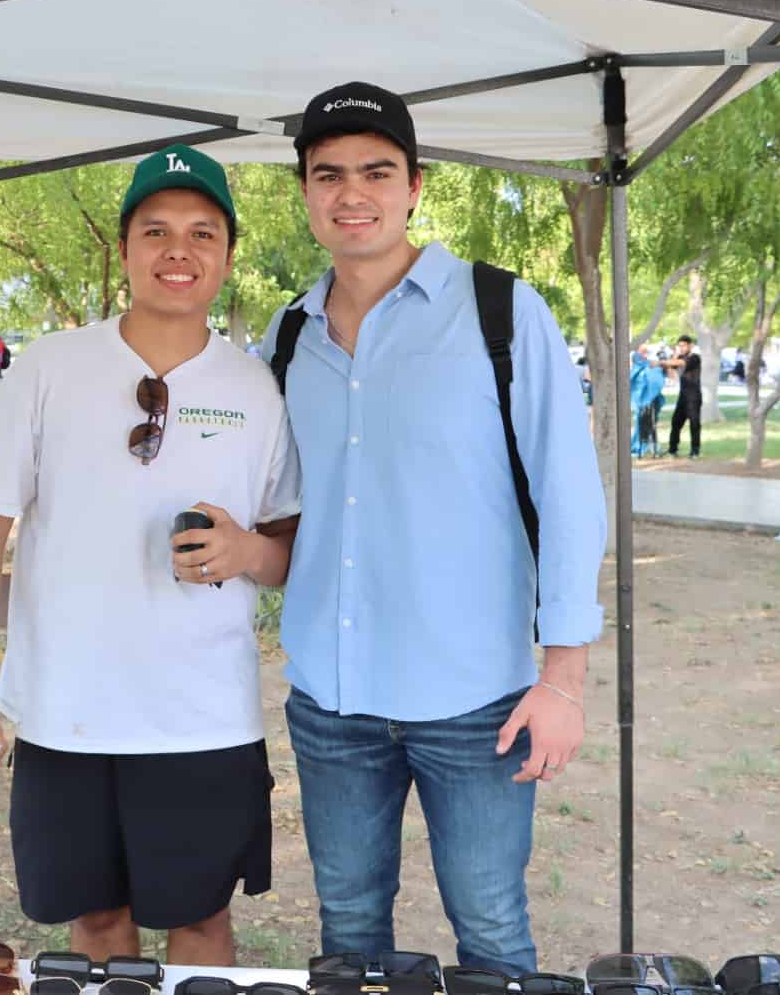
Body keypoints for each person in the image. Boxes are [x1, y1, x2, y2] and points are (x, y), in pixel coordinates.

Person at [262, 82, 605, 972]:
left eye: (377, 171)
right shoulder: (289, 335)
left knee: (491, 934)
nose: (352, 193)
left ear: (415, 185)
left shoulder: (501, 311)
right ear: (304, 190)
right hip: (331, 703)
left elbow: (569, 495)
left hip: (477, 702)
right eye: (328, 174)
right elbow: (290, 508)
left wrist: (562, 679)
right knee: (348, 935)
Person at [0, 144, 301, 966]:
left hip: (204, 717)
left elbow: (289, 553)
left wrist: (246, 550)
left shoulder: (256, 389)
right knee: (99, 926)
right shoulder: (49, 367)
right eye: (157, 230)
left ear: (228, 255)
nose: (180, 250)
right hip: (71, 714)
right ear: (126, 247)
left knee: (203, 925)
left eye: (204, 233)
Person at [664, 335, 702, 459]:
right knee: (675, 422)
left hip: (694, 396)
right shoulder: (679, 356)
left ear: (690, 345)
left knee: (694, 423)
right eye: (679, 345)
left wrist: (661, 362)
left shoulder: (694, 357)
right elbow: (671, 369)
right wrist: (675, 353)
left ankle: (695, 451)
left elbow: (679, 363)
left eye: (683, 345)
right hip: (683, 396)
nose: (681, 348)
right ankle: (672, 449)